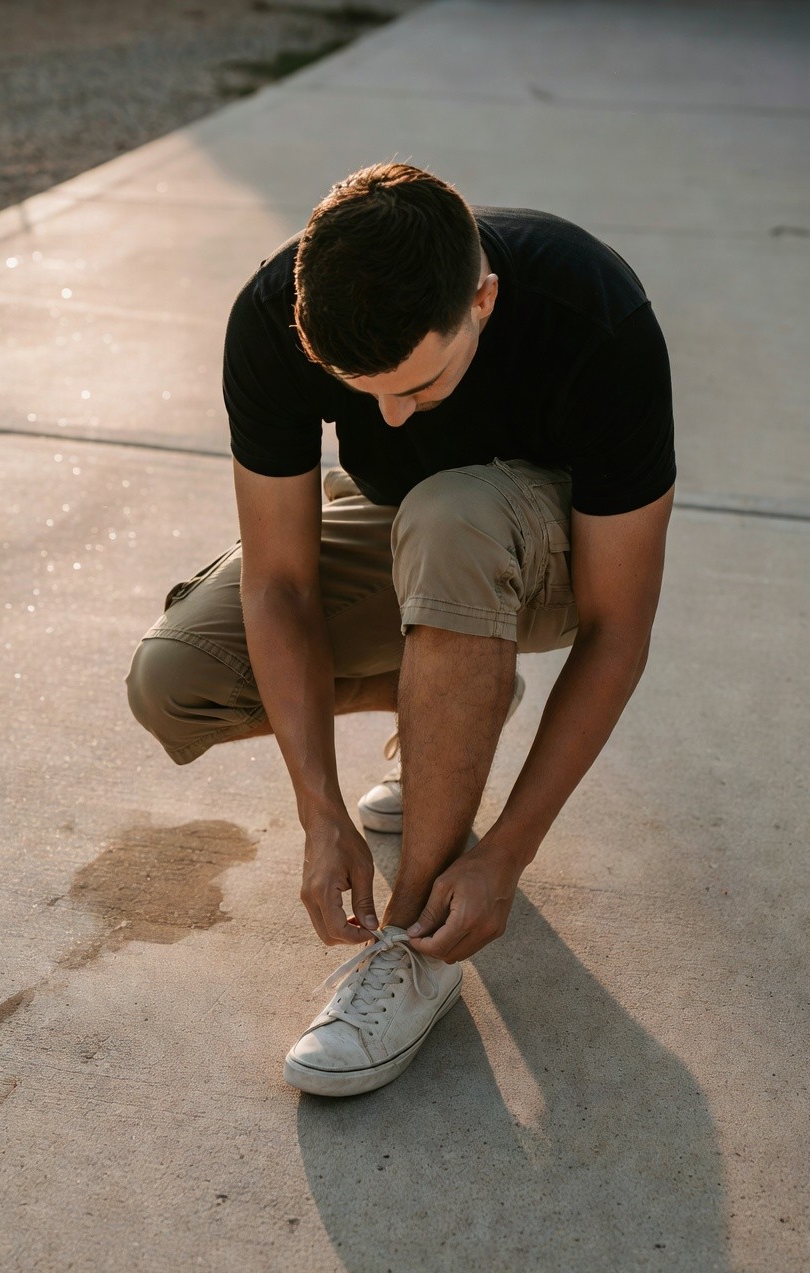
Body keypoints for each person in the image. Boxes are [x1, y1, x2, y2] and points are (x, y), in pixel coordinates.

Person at [127, 162, 675, 1098]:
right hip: (407, 528)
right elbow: (282, 584)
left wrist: (506, 850)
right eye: (360, 390)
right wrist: (319, 808)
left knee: (452, 515)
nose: (386, 415)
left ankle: (416, 944)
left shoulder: (593, 310)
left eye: (419, 387)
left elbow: (619, 628)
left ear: (484, 302)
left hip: (545, 557)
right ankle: (458, 696)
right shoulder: (275, 313)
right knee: (176, 679)